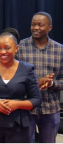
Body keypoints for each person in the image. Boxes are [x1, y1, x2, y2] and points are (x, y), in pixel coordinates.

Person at [0, 30, 41, 143]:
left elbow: (36, 99)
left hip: (18, 126)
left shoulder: (27, 69)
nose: (2, 52)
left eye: (7, 48)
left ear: (16, 48)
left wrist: (17, 104)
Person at [16, 11, 63, 143]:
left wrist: (52, 84)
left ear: (50, 28)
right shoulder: (19, 48)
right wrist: (36, 83)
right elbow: (12, 79)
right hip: (26, 108)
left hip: (50, 109)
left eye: (40, 25)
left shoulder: (60, 50)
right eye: (33, 24)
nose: (36, 28)